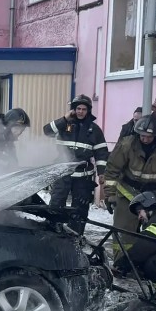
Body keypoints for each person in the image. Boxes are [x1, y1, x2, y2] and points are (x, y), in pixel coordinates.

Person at [102, 112, 156, 256]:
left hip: (153, 199)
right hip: (127, 194)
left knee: (153, 233)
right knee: (123, 231)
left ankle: (144, 265)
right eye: (142, 135)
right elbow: (111, 171)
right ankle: (121, 264)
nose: (144, 139)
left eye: (149, 137)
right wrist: (110, 195)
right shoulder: (126, 144)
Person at [42, 94, 109, 234]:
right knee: (56, 205)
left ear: (88, 110)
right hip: (63, 173)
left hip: (83, 177)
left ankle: (76, 237)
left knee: (80, 209)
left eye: (84, 109)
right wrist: (65, 118)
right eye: (78, 108)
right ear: (73, 109)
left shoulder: (94, 130)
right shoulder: (63, 124)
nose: (80, 112)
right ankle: (52, 233)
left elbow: (101, 153)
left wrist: (102, 172)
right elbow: (47, 131)